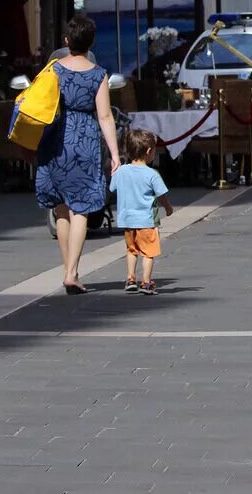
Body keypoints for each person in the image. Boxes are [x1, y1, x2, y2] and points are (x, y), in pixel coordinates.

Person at [35, 15, 120, 295]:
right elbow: (105, 117)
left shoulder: (53, 70)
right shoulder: (98, 74)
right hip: (84, 141)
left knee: (60, 206)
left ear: (66, 41)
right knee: (80, 208)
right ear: (91, 43)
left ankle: (68, 270)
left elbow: (39, 104)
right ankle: (72, 272)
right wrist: (115, 154)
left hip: (55, 140)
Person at [111, 129, 175, 295]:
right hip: (146, 220)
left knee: (131, 250)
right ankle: (146, 282)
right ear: (148, 151)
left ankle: (130, 278)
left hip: (127, 220)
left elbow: (112, 188)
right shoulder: (152, 174)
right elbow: (161, 195)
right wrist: (168, 208)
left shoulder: (121, 171)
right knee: (148, 252)